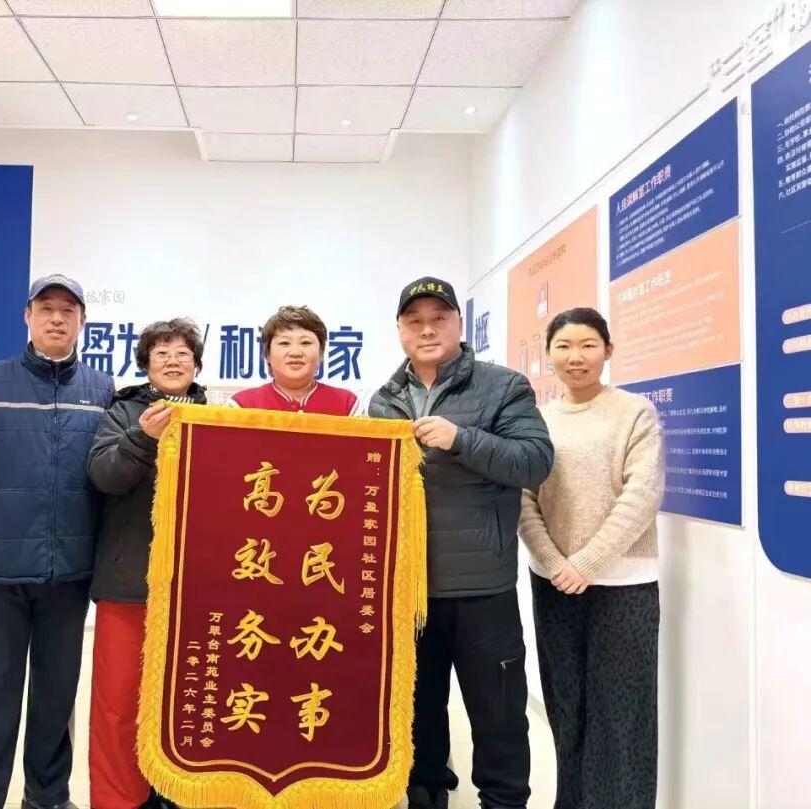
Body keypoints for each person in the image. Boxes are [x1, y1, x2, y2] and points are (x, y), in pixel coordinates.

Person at [368, 276, 554, 809]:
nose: (427, 330)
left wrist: (461, 438)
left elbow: (535, 462)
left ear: (458, 323)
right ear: (400, 330)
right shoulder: (383, 400)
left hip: (482, 590)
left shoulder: (503, 386)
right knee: (416, 720)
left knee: (499, 720)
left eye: (439, 319)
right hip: (409, 593)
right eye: (415, 321)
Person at [0, 274, 113, 809]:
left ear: (82, 322)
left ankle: (48, 797)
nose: (57, 318)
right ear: (27, 317)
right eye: (46, 308)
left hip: (70, 572)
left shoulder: (102, 390)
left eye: (68, 310)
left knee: (56, 699)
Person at [518, 307, 663, 809]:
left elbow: (642, 495)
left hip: (623, 586)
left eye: (587, 345)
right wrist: (554, 561)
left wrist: (587, 564)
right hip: (553, 582)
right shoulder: (538, 421)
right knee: (567, 709)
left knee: (623, 717)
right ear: (548, 355)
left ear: (608, 350)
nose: (575, 357)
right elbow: (524, 500)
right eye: (564, 346)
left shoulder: (634, 413)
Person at [86, 318, 207, 809]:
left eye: (182, 353)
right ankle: (119, 800)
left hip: (196, 590)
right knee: (119, 702)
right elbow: (103, 475)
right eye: (162, 353)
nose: (173, 360)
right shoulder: (122, 412)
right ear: (146, 364)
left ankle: (181, 794)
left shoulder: (217, 416)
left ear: (196, 363)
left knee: (188, 701)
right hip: (128, 582)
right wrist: (141, 437)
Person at [228, 304, 360, 415]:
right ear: (267, 354)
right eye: (284, 343)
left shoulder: (348, 406)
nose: (295, 353)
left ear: (321, 353)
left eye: (305, 343)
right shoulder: (240, 406)